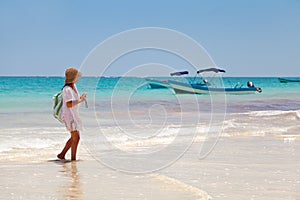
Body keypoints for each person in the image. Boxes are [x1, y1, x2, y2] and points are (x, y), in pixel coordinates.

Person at [57, 68, 87, 161]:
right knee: (76, 137)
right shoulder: (67, 89)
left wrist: (80, 98)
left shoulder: (73, 87)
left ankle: (61, 155)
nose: (78, 78)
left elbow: (73, 101)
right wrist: (80, 100)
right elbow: (69, 104)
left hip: (73, 115)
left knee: (74, 137)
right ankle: (73, 159)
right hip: (69, 116)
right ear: (73, 77)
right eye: (77, 77)